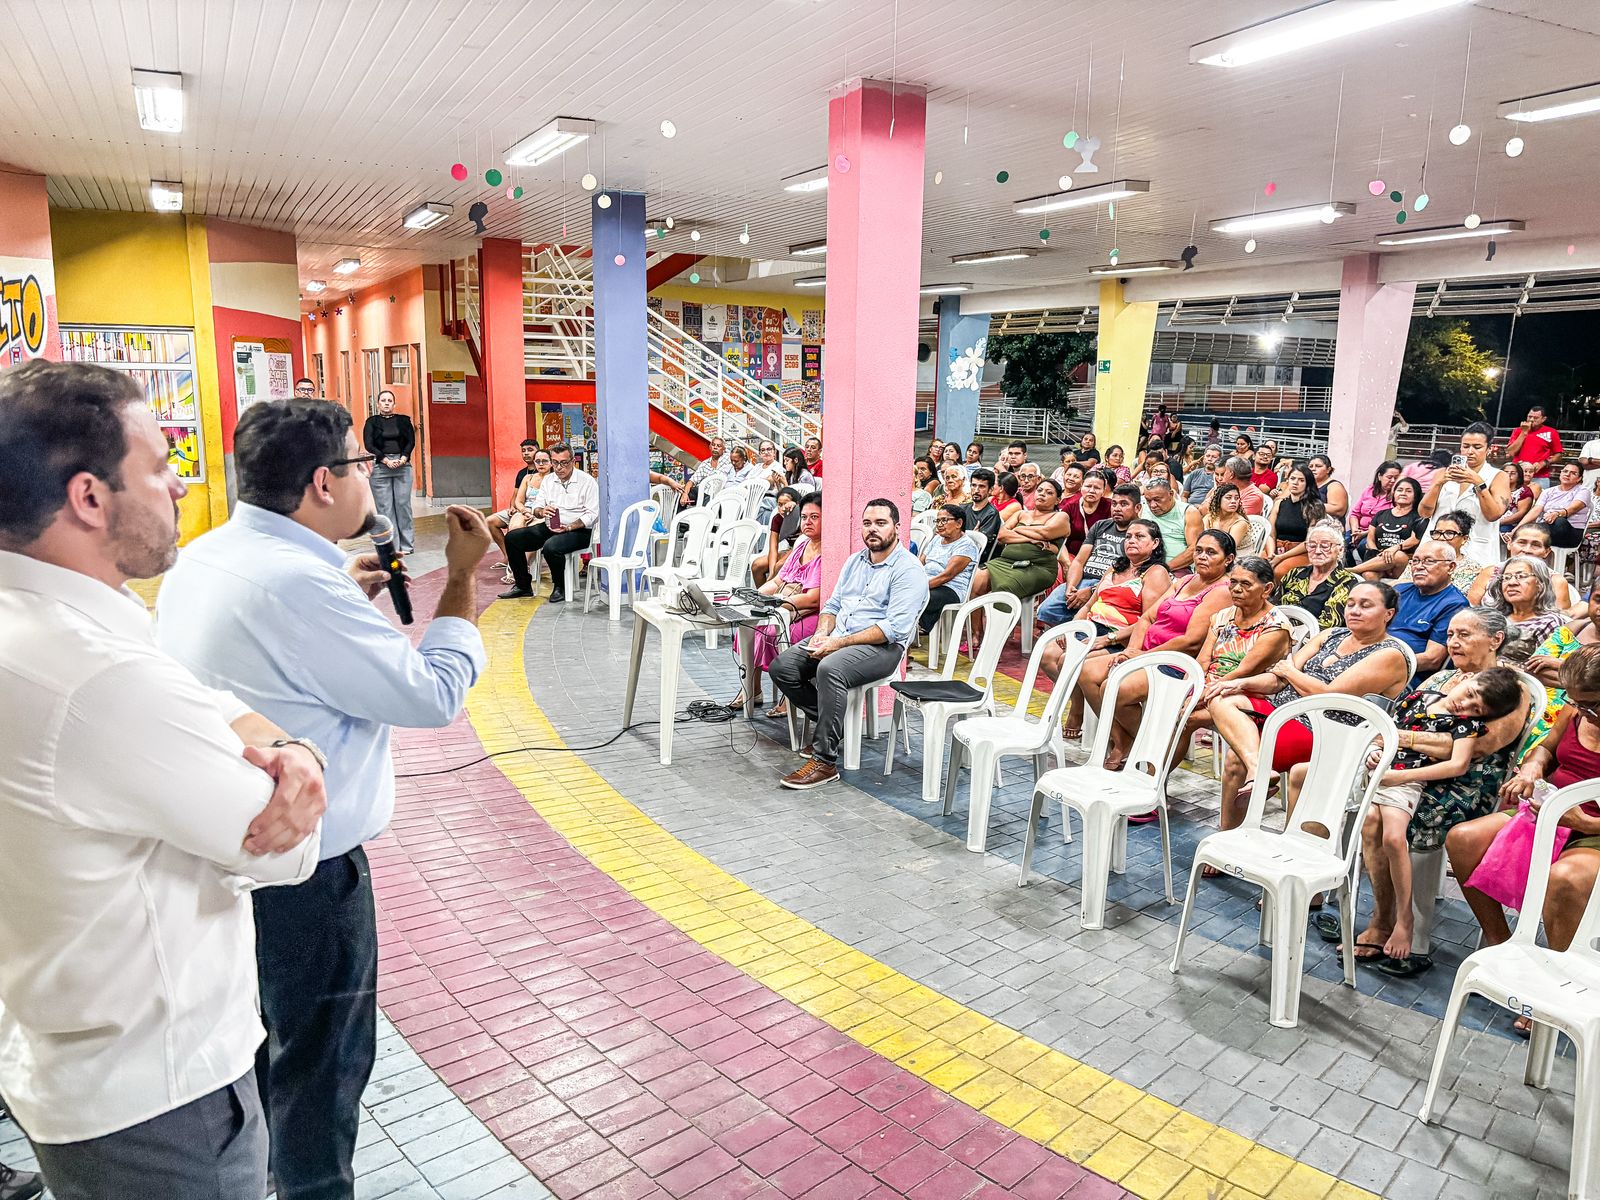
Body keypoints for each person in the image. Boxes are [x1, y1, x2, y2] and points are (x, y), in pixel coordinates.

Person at [0, 362, 325, 1200]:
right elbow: (287, 842)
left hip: (71, 1065)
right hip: (163, 1100)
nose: (178, 482)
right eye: (157, 463)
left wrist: (249, 728)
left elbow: (193, 705)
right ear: (89, 497)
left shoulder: (36, 631)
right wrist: (301, 753)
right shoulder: (95, 679)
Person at [157, 397, 491, 1200]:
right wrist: (467, 576)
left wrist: (346, 597)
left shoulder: (209, 558)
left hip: (232, 861)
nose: (370, 476)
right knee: (322, 1071)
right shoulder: (303, 588)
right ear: (321, 482)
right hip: (310, 877)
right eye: (358, 464)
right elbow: (433, 693)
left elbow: (282, 665)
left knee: (272, 1051)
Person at [1343, 665, 1526, 972]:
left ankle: (1406, 922)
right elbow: (1384, 732)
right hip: (1381, 772)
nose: (1465, 705)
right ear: (1464, 678)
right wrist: (1378, 751)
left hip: (1412, 781)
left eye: (1476, 707)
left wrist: (1400, 772)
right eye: (1468, 695)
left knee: (1392, 836)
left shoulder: (1468, 723)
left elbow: (1459, 763)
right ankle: (1373, 913)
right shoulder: (1421, 696)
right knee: (1365, 818)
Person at [1447, 646, 1600, 997]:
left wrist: (1588, 824)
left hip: (1592, 828)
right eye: (1578, 703)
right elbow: (1546, 748)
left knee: (1564, 878)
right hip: (1550, 810)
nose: (1585, 713)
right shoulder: (1575, 711)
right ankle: (1501, 941)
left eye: (1593, 704)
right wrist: (1533, 767)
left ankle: (1556, 981)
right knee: (1463, 839)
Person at [1208, 580, 1410, 830]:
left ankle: (1254, 772)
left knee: (1235, 757)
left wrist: (1291, 673)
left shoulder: (1389, 654)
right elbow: (1278, 678)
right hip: (1284, 713)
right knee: (1221, 697)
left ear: (1388, 614)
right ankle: (1251, 781)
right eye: (1350, 604)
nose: (1354, 610)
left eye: (1365, 605)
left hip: (1325, 730)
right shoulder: (1331, 634)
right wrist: (1240, 683)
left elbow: (1330, 695)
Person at [769, 500, 927, 789]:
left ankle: (825, 761)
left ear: (897, 527)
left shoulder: (909, 570)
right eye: (867, 524)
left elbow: (892, 629)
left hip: (881, 648)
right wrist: (822, 633)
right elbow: (832, 605)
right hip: (839, 636)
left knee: (829, 668)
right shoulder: (855, 561)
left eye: (881, 523)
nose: (873, 530)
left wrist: (837, 643)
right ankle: (833, 726)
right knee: (783, 667)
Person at [1075, 529, 1237, 763]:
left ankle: (1147, 744)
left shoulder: (1221, 591)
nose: (1202, 556)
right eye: (1199, 550)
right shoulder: (1185, 581)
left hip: (1175, 661)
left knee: (1115, 686)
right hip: (1146, 653)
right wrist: (1131, 651)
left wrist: (1142, 657)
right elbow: (1147, 618)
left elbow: (1191, 640)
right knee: (1086, 672)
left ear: (1228, 559)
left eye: (1211, 552)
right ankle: (1124, 739)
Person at [1179, 556, 1296, 770]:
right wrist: (1186, 691)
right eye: (1233, 582)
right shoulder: (1223, 616)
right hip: (1212, 687)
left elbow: (1243, 672)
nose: (1236, 589)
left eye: (1246, 584)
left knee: (1186, 718)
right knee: (1170, 711)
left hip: (1248, 693)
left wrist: (1197, 699)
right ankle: (1152, 781)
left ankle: (1156, 783)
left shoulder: (1276, 626)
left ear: (1267, 588)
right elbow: (1203, 660)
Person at [737, 492, 823, 715]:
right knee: (748, 625)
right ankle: (751, 689)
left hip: (810, 613)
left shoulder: (827, 553)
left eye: (815, 517)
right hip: (786, 607)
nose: (808, 522)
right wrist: (755, 596)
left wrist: (777, 602)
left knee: (772, 632)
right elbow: (777, 580)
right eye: (804, 517)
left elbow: (814, 598)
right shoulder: (802, 546)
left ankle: (790, 696)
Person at [498, 441, 599, 602]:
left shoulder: (587, 481)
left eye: (564, 463)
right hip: (550, 526)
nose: (559, 467)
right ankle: (523, 585)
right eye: (556, 463)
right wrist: (541, 511)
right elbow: (537, 507)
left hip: (579, 530)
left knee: (551, 547)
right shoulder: (549, 480)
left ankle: (560, 587)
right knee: (512, 538)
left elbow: (593, 514)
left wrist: (570, 527)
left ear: (573, 461)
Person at [969, 479, 1073, 634]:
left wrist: (1018, 531)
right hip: (1005, 562)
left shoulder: (1060, 516)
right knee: (976, 580)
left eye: (1049, 492)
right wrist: (1033, 539)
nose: (1042, 494)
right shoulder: (1021, 514)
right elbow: (1002, 535)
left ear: (1058, 499)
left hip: (1038, 567)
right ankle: (976, 633)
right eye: (1040, 490)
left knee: (1005, 587)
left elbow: (1045, 533)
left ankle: (996, 635)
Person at [1039, 482, 1140, 627]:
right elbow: (1079, 561)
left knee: (1091, 620)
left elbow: (1130, 574)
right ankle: (1065, 637)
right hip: (1082, 581)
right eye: (1115, 504)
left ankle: (1074, 635)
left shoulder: (1140, 532)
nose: (1117, 508)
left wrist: (1092, 591)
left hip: (1112, 586)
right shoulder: (1101, 525)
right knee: (1046, 610)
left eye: (1124, 504)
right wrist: (1070, 586)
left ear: (1137, 508)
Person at [1420, 422, 1509, 565]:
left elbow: (1494, 514)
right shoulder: (1443, 473)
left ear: (1488, 449)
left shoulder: (1498, 476)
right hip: (1437, 544)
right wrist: (1438, 484)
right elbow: (1424, 513)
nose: (1470, 451)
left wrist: (1479, 483)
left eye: (1477, 447)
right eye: (1465, 446)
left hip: (1477, 548)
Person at [1392, 540, 1471, 681]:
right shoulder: (1399, 590)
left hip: (1406, 675)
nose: (1419, 567)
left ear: (1451, 567)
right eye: (1415, 561)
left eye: (1428, 561)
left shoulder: (1455, 605)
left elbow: (1432, 659)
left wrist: (1383, 663)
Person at [1468, 522, 1583, 616]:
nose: (1527, 550)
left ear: (1546, 552)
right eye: (1521, 543)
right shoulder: (1491, 572)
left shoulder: (1555, 581)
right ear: (1509, 544)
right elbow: (1470, 608)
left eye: (1536, 545)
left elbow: (1561, 621)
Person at [1274, 519, 1360, 629]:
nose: (1318, 551)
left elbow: (1328, 625)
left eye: (1325, 546)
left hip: (1314, 640)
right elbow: (1274, 606)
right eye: (1312, 545)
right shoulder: (1295, 573)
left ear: (1340, 550)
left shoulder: (1347, 582)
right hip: (1279, 631)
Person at [362, 389, 415, 554]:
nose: (386, 403)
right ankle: (391, 546)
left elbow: (410, 441)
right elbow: (369, 444)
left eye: (389, 400)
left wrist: (404, 458)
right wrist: (385, 459)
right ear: (378, 404)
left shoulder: (404, 421)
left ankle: (407, 545)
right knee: (385, 508)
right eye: (383, 400)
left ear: (394, 404)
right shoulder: (371, 422)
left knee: (403, 505)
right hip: (381, 467)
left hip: (402, 465)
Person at [1482, 554, 1563, 660]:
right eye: (1506, 578)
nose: (1511, 583)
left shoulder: (1550, 622)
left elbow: (1542, 670)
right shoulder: (1493, 616)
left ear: (1540, 583)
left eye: (1521, 576)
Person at [918, 503, 982, 635]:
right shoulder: (937, 539)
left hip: (950, 589)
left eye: (944, 520)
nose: (939, 524)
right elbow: (920, 562)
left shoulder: (966, 545)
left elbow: (947, 575)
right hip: (930, 583)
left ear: (959, 523)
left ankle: (914, 631)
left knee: (914, 596)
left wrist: (919, 586)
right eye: (938, 521)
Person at [1350, 476, 1425, 579]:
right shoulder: (1381, 514)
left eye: (1408, 491)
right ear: (1394, 494)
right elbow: (1370, 538)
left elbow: (1414, 540)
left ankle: (1353, 570)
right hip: (1378, 557)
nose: (1403, 493)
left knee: (1398, 555)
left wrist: (1394, 548)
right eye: (1399, 490)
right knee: (1368, 575)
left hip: (1402, 559)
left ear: (1416, 495)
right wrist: (1376, 552)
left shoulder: (1419, 517)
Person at [488, 440, 545, 566]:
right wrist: (512, 508)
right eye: (523, 451)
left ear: (538, 451)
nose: (526, 453)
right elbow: (515, 496)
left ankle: (522, 564)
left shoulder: (544, 472)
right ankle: (508, 556)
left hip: (535, 512)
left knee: (521, 527)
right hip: (520, 509)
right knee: (490, 521)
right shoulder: (522, 474)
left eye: (530, 450)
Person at [1263, 463, 1324, 579]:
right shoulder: (1279, 503)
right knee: (1254, 568)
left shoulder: (1315, 506)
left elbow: (1310, 541)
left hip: (1300, 552)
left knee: (1279, 572)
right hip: (1276, 548)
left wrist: (1282, 557)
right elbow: (1271, 535)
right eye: (1292, 479)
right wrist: (1272, 555)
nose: (1295, 483)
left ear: (1308, 484)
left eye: (1301, 480)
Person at [1518, 459, 1591, 549]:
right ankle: (1531, 535)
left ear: (1579, 478)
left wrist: (1556, 514)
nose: (1567, 474)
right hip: (1547, 528)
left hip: (1570, 533)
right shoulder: (1548, 492)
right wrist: (1518, 528)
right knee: (1522, 529)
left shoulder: (1583, 491)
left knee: (1560, 521)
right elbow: (1536, 510)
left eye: (1573, 473)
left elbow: (1573, 508)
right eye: (1565, 471)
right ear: (1560, 473)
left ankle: (1534, 534)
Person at [1144, 476, 1202, 567]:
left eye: (1157, 500)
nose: (1152, 505)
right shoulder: (1142, 509)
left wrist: (1165, 568)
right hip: (1144, 565)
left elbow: (1194, 549)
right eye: (1148, 501)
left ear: (1171, 494)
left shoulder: (1189, 512)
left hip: (1177, 568)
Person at [753, 486, 804, 587]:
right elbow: (773, 547)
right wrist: (771, 573)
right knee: (757, 565)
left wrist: (775, 571)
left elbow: (803, 542)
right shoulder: (777, 519)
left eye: (786, 504)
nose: (782, 508)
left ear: (796, 504)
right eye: (779, 505)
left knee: (780, 565)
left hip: (802, 550)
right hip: (789, 549)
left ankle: (773, 596)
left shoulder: (802, 516)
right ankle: (763, 596)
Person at [1506, 403, 1563, 490]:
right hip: (1518, 474)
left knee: (1539, 501)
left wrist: (1544, 463)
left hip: (1540, 476)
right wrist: (1524, 433)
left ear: (1543, 419)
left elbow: (1558, 455)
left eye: (1535, 418)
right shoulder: (1518, 431)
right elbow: (1511, 452)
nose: (1531, 420)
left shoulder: (1551, 432)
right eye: (1529, 417)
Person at [1348, 460, 1401, 542]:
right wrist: (1355, 530)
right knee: (1339, 543)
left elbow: (1389, 523)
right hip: (1359, 530)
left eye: (1396, 478)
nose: (1393, 481)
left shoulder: (1398, 497)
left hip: (1379, 533)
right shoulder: (1369, 490)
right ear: (1380, 476)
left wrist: (1364, 534)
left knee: (1363, 546)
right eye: (1389, 477)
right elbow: (1354, 514)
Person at [1062, 469, 1109, 558]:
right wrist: (1066, 562)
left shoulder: (1110, 507)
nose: (1091, 491)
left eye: (1097, 488)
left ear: (1104, 491)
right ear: (1081, 487)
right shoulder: (1070, 507)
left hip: (1100, 558)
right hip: (1070, 556)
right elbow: (1059, 536)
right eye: (1088, 486)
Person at [963, 468, 1002, 562]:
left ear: (990, 489)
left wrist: (969, 536)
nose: (976, 490)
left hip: (975, 559)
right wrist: (971, 535)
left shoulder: (991, 514)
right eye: (973, 485)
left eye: (981, 486)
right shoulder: (962, 508)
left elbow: (979, 544)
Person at [1202, 481, 1252, 551]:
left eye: (1236, 498)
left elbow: (1229, 549)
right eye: (1228, 498)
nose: (1233, 501)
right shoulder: (1210, 518)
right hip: (1214, 553)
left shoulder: (1240, 523)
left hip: (1238, 557)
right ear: (1219, 500)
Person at [681, 435, 731, 505]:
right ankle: (680, 515)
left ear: (724, 449)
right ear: (710, 447)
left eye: (718, 446)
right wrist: (685, 494)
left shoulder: (729, 459)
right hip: (704, 493)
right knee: (687, 493)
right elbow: (691, 481)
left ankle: (704, 513)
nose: (715, 447)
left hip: (721, 495)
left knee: (708, 499)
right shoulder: (705, 463)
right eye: (713, 445)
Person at [1498, 460, 1536, 542]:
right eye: (1506, 472)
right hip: (1494, 520)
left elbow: (1521, 513)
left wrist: (1500, 522)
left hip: (1512, 525)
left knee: (1502, 530)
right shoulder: (1496, 488)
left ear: (1519, 476)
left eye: (1513, 473)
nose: (1508, 475)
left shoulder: (1524, 491)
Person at [1307, 454, 1349, 523]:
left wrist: (1308, 506)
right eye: (1310, 466)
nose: (1313, 469)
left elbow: (1338, 510)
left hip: (1329, 528)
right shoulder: (1307, 485)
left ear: (1328, 470)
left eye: (1318, 466)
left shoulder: (1334, 486)